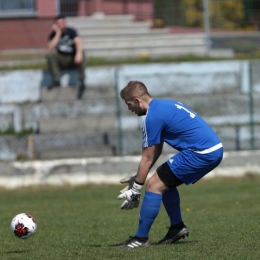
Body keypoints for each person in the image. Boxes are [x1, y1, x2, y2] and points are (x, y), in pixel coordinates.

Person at [117, 81, 223, 248]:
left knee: (153, 185)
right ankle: (176, 227)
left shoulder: (151, 117)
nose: (130, 109)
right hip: (211, 149)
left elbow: (147, 158)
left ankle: (140, 239)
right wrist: (137, 179)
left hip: (201, 152)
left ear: (137, 100)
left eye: (129, 104)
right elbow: (156, 151)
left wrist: (137, 189)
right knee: (164, 182)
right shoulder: (163, 105)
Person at [46, 15, 86, 99]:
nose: (61, 25)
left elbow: (78, 41)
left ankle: (82, 79)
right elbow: (50, 48)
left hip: (73, 58)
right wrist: (58, 33)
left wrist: (78, 53)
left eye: (62, 23)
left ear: (65, 23)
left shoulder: (71, 31)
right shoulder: (53, 35)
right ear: (55, 25)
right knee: (50, 55)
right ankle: (56, 81)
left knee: (82, 52)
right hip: (62, 59)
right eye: (58, 23)